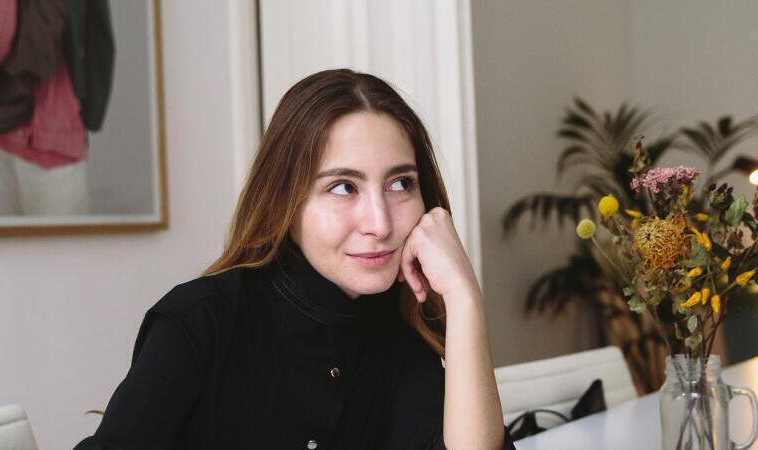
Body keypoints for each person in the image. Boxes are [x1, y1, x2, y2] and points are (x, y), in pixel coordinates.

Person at [74, 69, 514, 449]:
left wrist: (464, 299)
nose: (380, 224)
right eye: (344, 187)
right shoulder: (198, 322)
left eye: (401, 184)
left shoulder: (399, 336)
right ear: (286, 200)